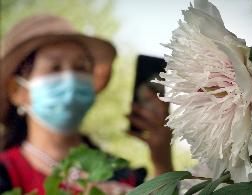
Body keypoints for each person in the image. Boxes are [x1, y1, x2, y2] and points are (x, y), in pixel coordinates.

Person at [0, 14, 173, 194]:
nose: (72, 79)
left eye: (81, 67)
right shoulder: (6, 173)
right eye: (55, 68)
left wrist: (161, 159)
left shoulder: (119, 172)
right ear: (17, 90)